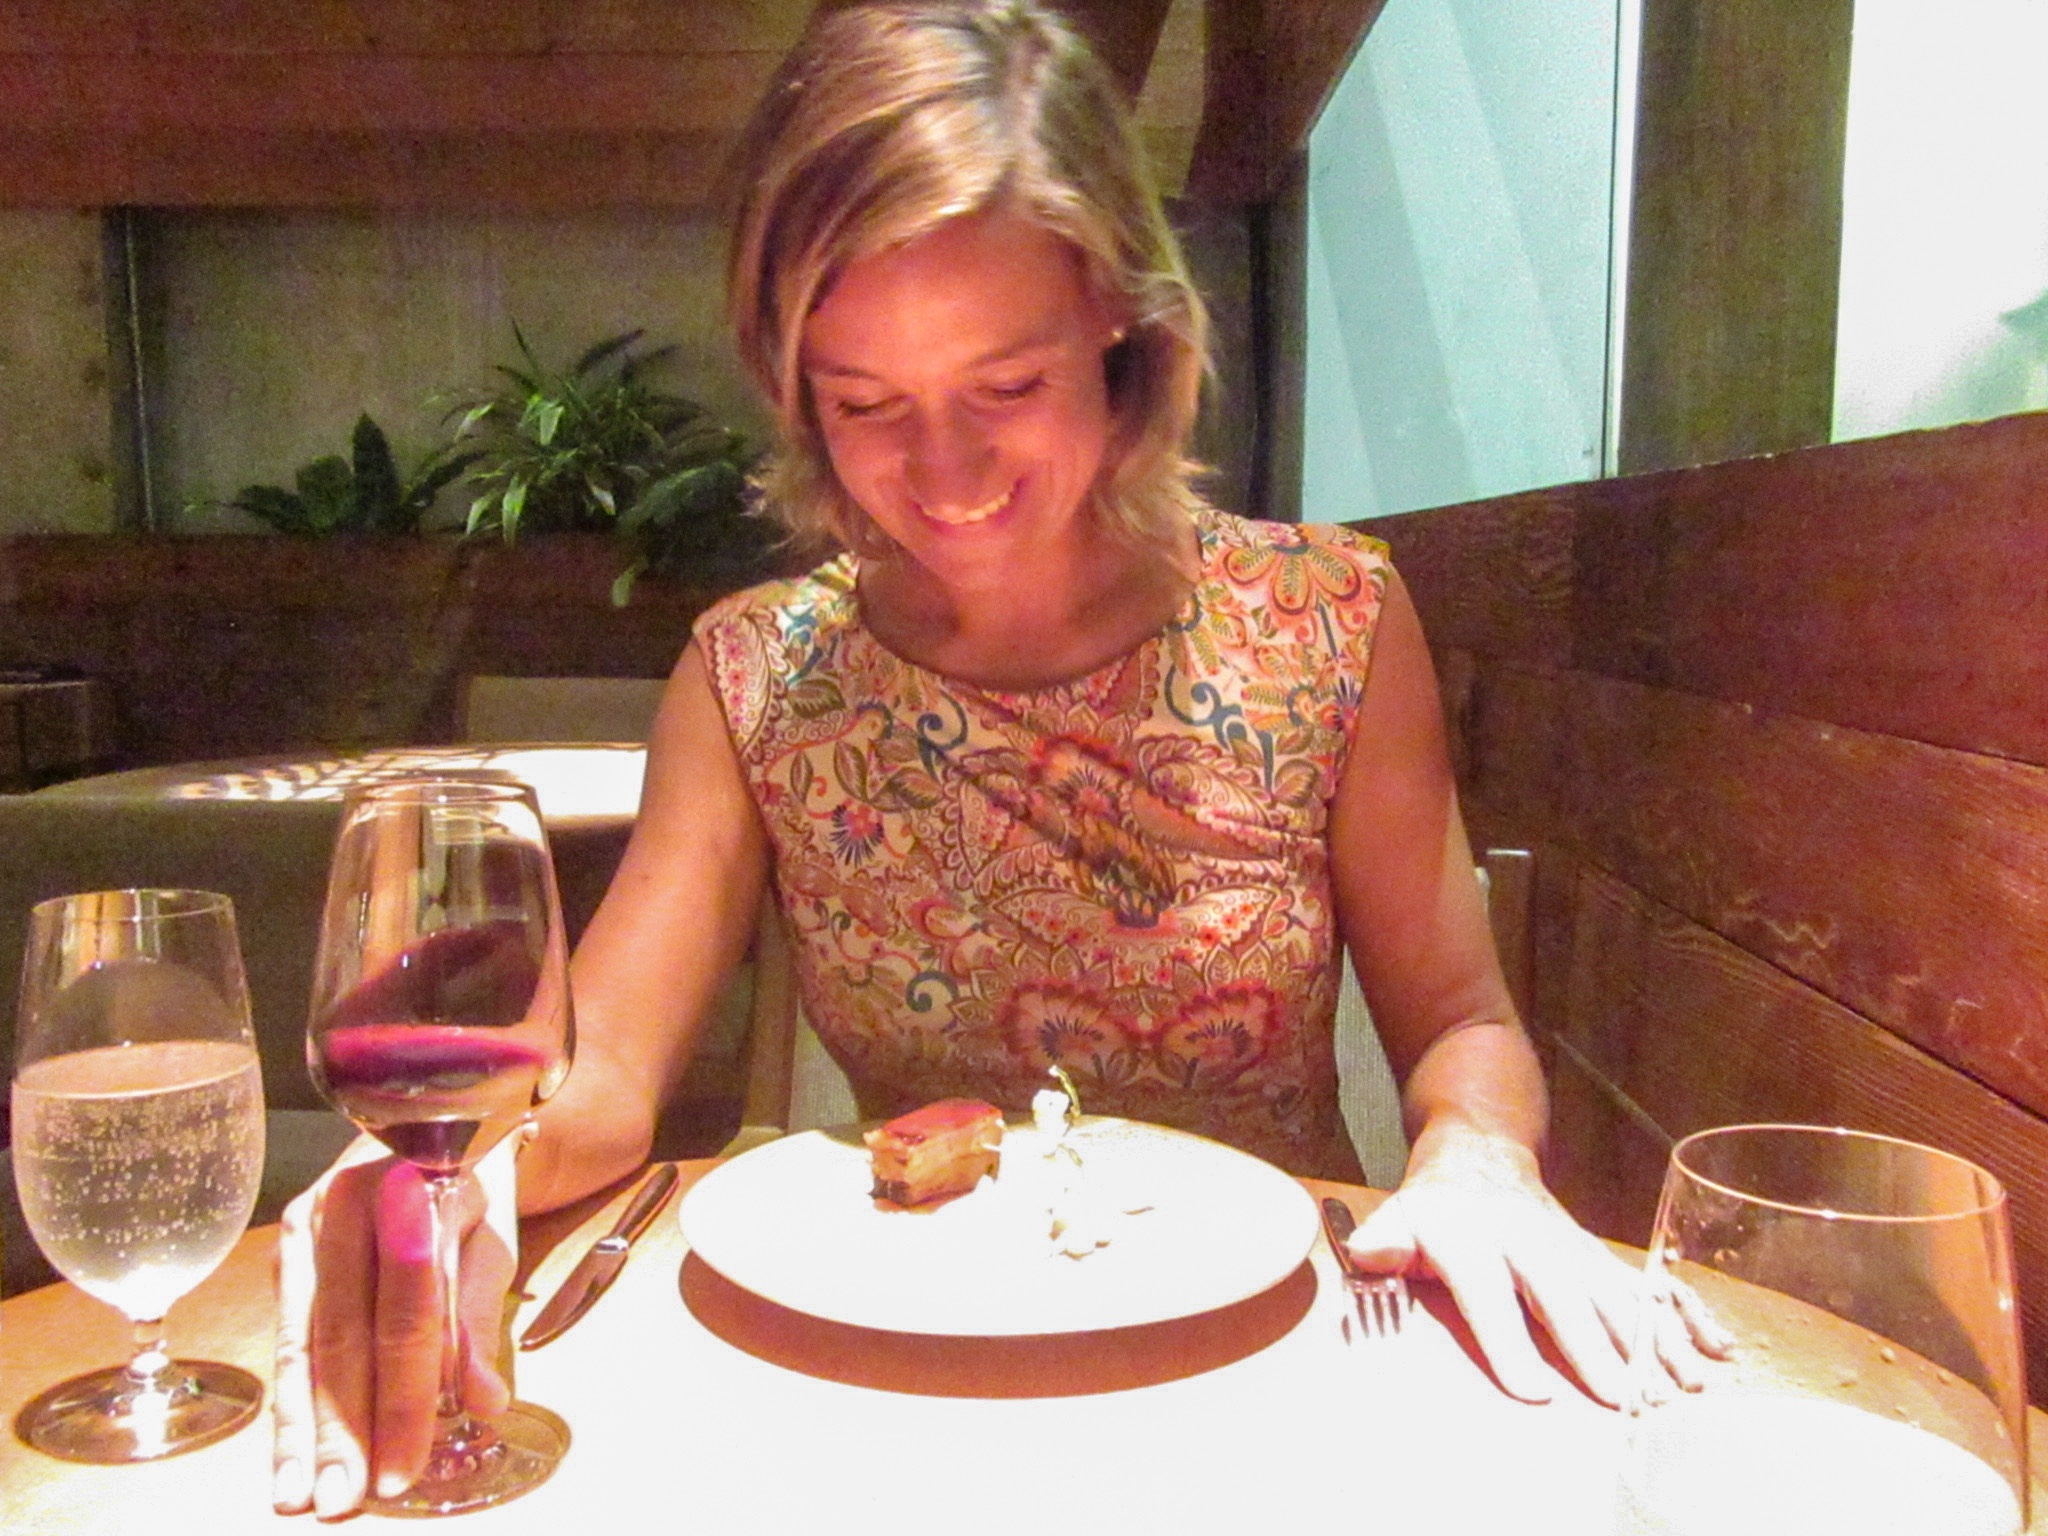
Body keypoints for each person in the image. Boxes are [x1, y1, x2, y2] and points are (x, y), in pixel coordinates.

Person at [271, 1, 1702, 1518]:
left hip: (1269, 1371)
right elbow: (609, 1068)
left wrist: (1478, 1161)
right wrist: (452, 1178)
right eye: (865, 403)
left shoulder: (1330, 623)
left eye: (1006, 386)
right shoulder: (753, 675)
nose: (942, 475)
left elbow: (1462, 1023)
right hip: (895, 1369)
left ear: (1120, 325)